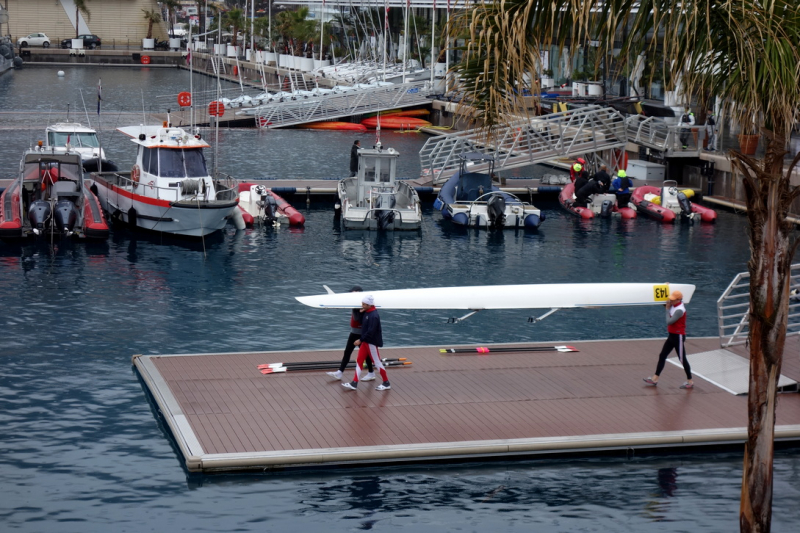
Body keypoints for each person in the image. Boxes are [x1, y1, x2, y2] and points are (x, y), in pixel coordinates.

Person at [644, 290, 694, 389]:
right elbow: (665, 303)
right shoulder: (674, 305)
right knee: (662, 355)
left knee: (682, 359)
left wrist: (667, 309)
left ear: (678, 300)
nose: (670, 301)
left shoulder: (679, 310)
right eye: (670, 299)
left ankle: (690, 381)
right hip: (672, 336)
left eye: (672, 300)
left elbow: (669, 322)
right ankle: (655, 378)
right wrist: (665, 287)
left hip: (678, 336)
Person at [343, 295, 391, 391]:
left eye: (364, 304)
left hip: (371, 342)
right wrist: (361, 313)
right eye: (362, 304)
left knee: (377, 362)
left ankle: (386, 382)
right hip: (366, 341)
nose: (362, 306)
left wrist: (360, 340)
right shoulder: (367, 312)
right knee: (359, 360)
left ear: (370, 305)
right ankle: (354, 382)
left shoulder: (374, 315)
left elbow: (371, 331)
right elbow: (363, 324)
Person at [327, 286, 375, 381]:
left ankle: (371, 373)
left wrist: (357, 309)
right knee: (347, 352)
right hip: (353, 333)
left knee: (366, 355)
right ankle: (340, 372)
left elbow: (357, 318)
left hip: (361, 334)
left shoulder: (363, 306)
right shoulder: (355, 304)